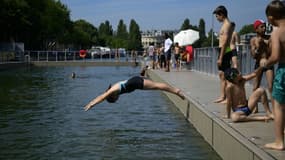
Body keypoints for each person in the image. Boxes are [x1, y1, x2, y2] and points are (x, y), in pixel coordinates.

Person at [84, 75, 185, 111]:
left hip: (135, 82)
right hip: (135, 82)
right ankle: (175, 91)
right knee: (157, 87)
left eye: (115, 100)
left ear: (112, 97)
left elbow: (102, 97)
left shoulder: (112, 91)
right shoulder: (114, 90)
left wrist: (91, 104)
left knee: (157, 86)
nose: (117, 99)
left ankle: (176, 91)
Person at [261, 0, 285, 151]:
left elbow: (275, 56)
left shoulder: (277, 32)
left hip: (283, 70)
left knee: (278, 105)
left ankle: (279, 142)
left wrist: (265, 62)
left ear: (270, 17)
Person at [250, 19, 274, 113]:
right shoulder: (253, 40)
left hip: (268, 63)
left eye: (264, 26)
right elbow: (253, 56)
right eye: (262, 26)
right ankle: (254, 107)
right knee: (255, 86)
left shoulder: (269, 38)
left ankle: (274, 108)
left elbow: (271, 53)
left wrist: (265, 44)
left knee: (271, 86)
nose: (264, 28)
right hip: (258, 64)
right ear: (256, 29)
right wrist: (259, 47)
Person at [213, 5, 234, 103]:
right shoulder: (225, 24)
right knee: (222, 74)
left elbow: (225, 42)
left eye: (217, 16)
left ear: (221, 14)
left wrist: (220, 57)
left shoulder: (227, 25)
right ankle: (223, 96)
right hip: (223, 50)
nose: (217, 18)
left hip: (225, 51)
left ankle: (228, 97)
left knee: (226, 75)